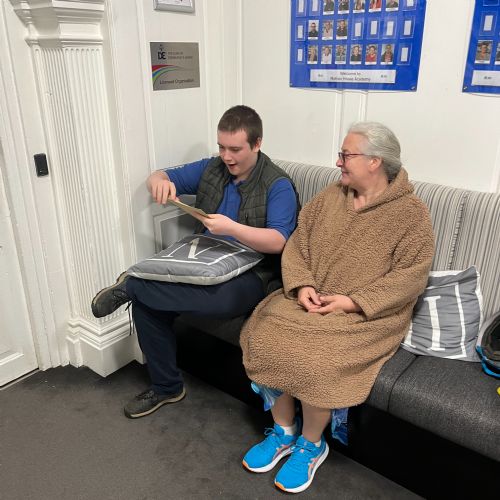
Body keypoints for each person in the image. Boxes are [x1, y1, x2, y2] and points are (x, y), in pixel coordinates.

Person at [240, 122, 434, 493]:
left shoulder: (411, 214)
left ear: (375, 161)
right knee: (264, 336)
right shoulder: (331, 196)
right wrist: (303, 285)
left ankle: (312, 444)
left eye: (346, 155)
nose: (338, 162)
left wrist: (354, 301)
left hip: (368, 315)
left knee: (320, 360)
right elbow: (298, 244)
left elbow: (411, 276)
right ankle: (283, 431)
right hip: (314, 300)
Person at [91, 105, 299, 418]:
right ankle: (167, 387)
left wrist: (231, 228)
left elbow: (278, 241)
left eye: (235, 149)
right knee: (148, 303)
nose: (226, 157)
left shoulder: (277, 184)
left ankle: (132, 285)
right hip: (205, 258)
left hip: (255, 272)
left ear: (257, 144)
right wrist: (158, 181)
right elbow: (162, 176)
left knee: (204, 298)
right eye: (221, 147)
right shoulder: (212, 168)